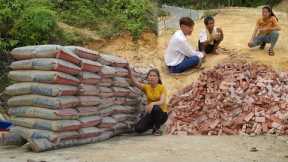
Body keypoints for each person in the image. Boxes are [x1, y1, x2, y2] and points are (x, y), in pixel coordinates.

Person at [127, 67, 168, 136]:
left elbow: (162, 101)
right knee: (138, 129)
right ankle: (153, 125)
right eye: (150, 75)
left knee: (155, 108)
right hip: (151, 114)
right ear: (148, 77)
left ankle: (157, 129)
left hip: (162, 115)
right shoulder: (147, 87)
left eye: (154, 76)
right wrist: (129, 73)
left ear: (158, 78)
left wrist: (152, 104)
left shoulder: (161, 87)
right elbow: (135, 83)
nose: (152, 77)